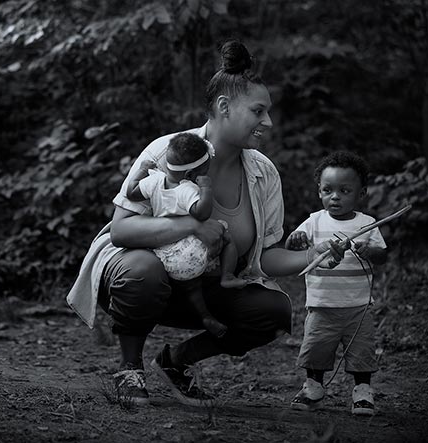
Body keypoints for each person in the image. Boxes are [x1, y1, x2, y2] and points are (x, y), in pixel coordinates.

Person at [66, 39, 347, 407]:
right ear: (224, 107)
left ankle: (175, 363)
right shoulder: (167, 152)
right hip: (138, 279)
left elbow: (266, 257)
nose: (268, 122)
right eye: (259, 111)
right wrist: (193, 226)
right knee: (143, 270)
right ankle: (129, 367)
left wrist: (315, 254)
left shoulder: (264, 172)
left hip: (204, 289)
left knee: (273, 311)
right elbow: (121, 231)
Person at [285, 151, 387, 416]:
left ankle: (362, 393)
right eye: (327, 190)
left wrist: (369, 251)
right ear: (319, 191)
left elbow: (382, 255)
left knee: (361, 353)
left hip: (358, 307)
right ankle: (313, 389)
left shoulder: (367, 223)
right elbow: (292, 245)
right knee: (316, 348)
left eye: (344, 190)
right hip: (321, 304)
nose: (335, 196)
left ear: (361, 194)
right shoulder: (314, 221)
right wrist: (295, 239)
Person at [125, 132, 246, 338]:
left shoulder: (154, 182)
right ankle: (227, 276)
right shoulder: (186, 189)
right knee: (226, 237)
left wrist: (141, 172)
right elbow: (201, 213)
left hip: (166, 254)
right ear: (190, 174)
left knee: (192, 288)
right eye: (204, 170)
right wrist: (206, 189)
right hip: (190, 251)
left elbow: (131, 193)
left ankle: (205, 315)